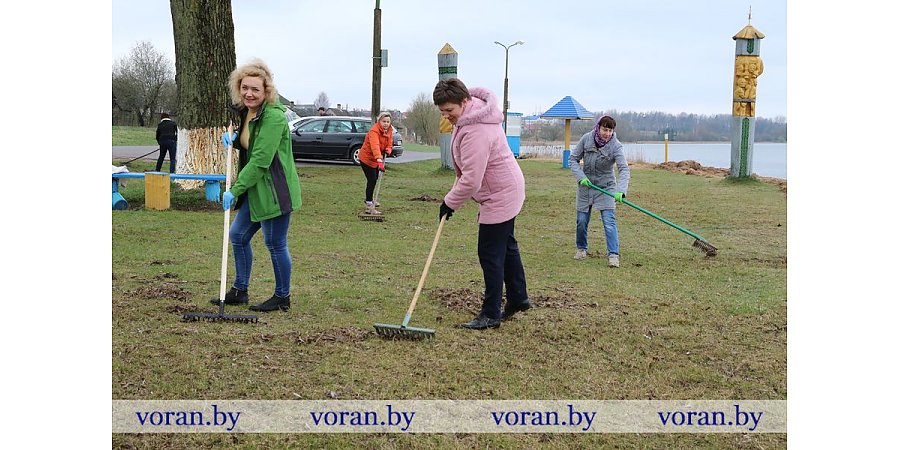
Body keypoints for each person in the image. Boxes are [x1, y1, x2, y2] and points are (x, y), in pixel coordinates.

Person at [433, 78, 530, 330]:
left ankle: (490, 314)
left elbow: (472, 180)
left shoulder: (476, 129)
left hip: (501, 193)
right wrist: (451, 198)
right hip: (505, 186)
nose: (446, 116)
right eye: (442, 111)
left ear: (464, 102)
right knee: (506, 245)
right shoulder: (471, 114)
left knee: (490, 253)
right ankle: (519, 299)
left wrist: (449, 203)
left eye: (449, 111)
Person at [214, 58, 303, 312]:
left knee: (275, 243)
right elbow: (250, 144)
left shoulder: (273, 117)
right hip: (257, 189)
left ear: (266, 91)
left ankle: (282, 297)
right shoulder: (246, 113)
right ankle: (240, 290)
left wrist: (234, 190)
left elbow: (261, 161)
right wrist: (234, 139)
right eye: (245, 88)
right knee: (238, 236)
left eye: (255, 89)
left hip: (274, 190)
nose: (249, 93)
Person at [569, 115, 630, 268]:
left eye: (610, 130)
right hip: (586, 185)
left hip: (606, 187)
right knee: (582, 221)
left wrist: (620, 191)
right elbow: (573, 160)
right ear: (598, 128)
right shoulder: (586, 139)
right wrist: (581, 177)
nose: (607, 133)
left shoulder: (616, 146)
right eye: (604, 129)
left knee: (609, 221)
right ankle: (581, 249)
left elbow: (623, 169)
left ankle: (613, 255)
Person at [358, 112, 393, 214]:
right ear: (379, 121)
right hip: (367, 158)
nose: (386, 124)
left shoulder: (389, 130)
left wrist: (389, 149)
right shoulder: (374, 131)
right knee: (372, 179)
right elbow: (375, 146)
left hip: (376, 159)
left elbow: (389, 142)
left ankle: (370, 199)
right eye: (383, 121)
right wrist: (379, 160)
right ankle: (369, 203)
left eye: (388, 122)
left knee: (375, 178)